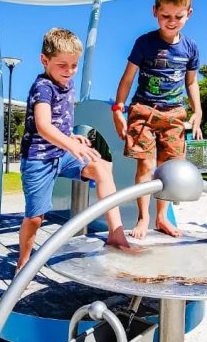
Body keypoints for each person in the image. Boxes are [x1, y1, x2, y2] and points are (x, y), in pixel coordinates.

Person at [17, 28, 134, 272]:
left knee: (102, 169)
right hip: (39, 159)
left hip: (62, 154)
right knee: (36, 217)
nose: (69, 71)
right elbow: (43, 125)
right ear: (44, 60)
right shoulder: (43, 87)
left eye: (74, 65)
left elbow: (60, 122)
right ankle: (24, 262)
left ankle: (116, 233)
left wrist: (73, 138)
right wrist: (69, 143)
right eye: (63, 65)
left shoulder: (67, 86)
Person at [113, 0, 203, 238]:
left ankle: (162, 217)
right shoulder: (144, 43)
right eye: (165, 15)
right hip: (144, 110)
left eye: (178, 16)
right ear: (155, 11)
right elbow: (127, 78)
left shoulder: (190, 47)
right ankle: (144, 218)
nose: (171, 21)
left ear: (189, 13)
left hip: (174, 112)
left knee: (169, 168)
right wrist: (118, 109)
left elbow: (191, 82)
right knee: (146, 165)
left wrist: (197, 111)